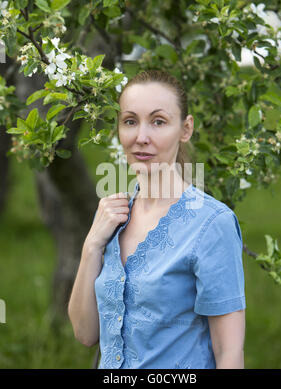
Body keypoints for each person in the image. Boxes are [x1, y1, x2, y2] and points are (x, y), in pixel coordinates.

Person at [68, 69, 246, 369]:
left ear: (185, 129)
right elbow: (85, 334)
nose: (141, 137)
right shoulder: (112, 217)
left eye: (158, 121)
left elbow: (229, 353)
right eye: (130, 121)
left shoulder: (212, 224)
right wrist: (92, 246)